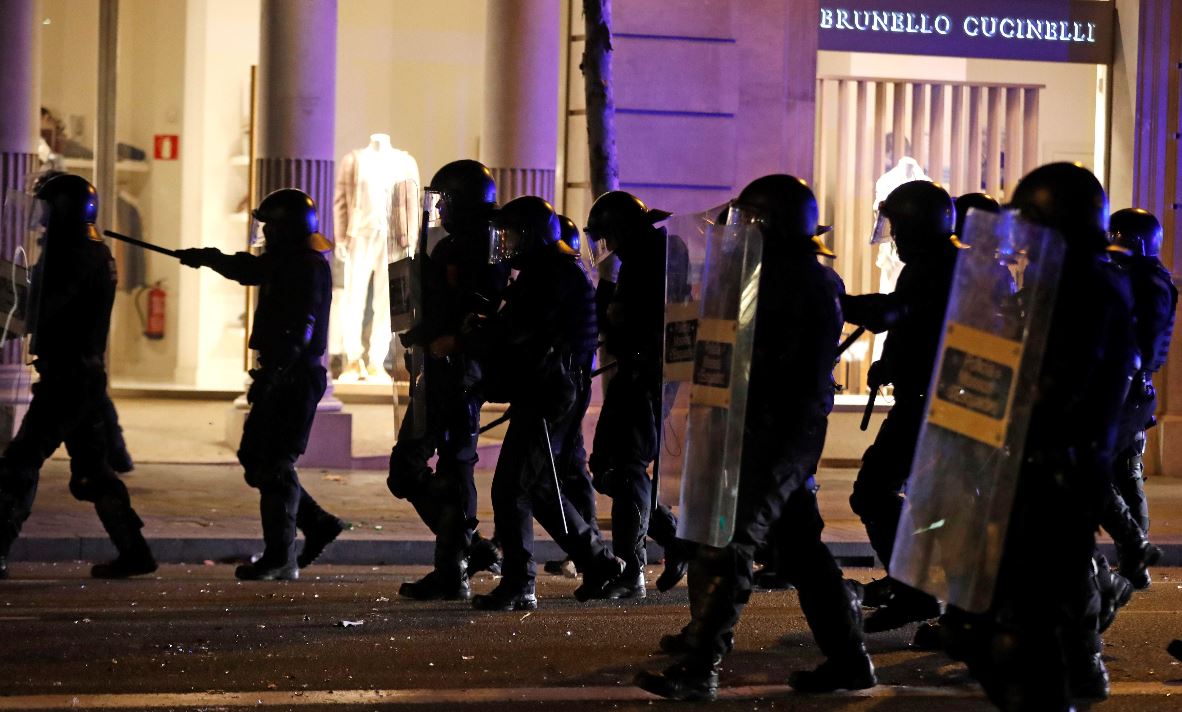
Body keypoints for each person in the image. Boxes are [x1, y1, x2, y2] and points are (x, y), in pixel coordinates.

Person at [636, 175, 875, 701]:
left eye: (748, 221)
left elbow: (773, 364)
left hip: (779, 436)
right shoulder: (766, 277)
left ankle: (700, 666)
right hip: (759, 431)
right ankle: (850, 660)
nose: (738, 230)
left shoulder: (804, 283)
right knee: (801, 553)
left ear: (768, 226)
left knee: (730, 541)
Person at [959, 163, 1137, 709]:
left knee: (1020, 636)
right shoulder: (1062, 283)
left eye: (1030, 218)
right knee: (1007, 629)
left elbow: (1053, 386)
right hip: (1034, 471)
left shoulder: (1085, 289)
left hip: (1052, 476)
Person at [177, 188, 347, 581]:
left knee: (273, 463)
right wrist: (206, 258)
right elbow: (251, 270)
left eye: (271, 226)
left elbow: (301, 330)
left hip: (294, 374)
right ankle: (316, 524)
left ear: (287, 229)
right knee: (256, 457)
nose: (265, 233)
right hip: (282, 371)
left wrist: (274, 375)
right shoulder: (287, 261)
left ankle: (281, 556)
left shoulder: (306, 265)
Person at [465, 196, 623, 611]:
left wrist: (475, 336)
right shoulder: (552, 270)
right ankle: (600, 564)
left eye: (514, 233)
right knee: (538, 486)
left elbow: (517, 332)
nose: (508, 242)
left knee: (512, 486)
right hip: (553, 389)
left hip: (551, 391)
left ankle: (520, 582)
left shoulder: (550, 274)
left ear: (532, 235)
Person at [0, 173, 155, 580]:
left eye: (47, 211)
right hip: (81, 376)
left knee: (21, 461)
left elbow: (36, 307)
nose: (40, 221)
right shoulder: (92, 249)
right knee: (93, 471)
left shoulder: (70, 255)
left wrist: (12, 296)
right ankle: (134, 551)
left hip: (66, 377)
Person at [842, 180, 958, 631]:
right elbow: (916, 323)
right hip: (926, 403)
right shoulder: (939, 262)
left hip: (936, 408)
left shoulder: (942, 265)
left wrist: (839, 301)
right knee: (902, 496)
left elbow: (899, 312)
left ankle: (918, 593)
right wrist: (891, 363)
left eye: (899, 226)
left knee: (875, 491)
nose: (894, 237)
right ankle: (919, 590)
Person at [389, 160, 506, 601]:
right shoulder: (454, 246)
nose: (440, 210)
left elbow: (482, 314)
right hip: (440, 370)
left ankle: (454, 562)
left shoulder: (485, 248)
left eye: (446, 200)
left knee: (444, 466)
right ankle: (462, 552)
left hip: (458, 372)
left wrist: (445, 336)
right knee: (425, 469)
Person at [584, 190, 685, 598]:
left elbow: (629, 321)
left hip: (650, 375)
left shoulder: (656, 257)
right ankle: (676, 539)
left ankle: (632, 568)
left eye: (609, 237)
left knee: (626, 467)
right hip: (634, 371)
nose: (607, 248)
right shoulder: (639, 259)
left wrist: (609, 309)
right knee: (606, 465)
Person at [1104, 208, 1173, 589]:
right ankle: (1135, 556)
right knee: (1123, 475)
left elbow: (1140, 342)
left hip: (1128, 392)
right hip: (1126, 390)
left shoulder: (1148, 281)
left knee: (1117, 473)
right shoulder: (1139, 276)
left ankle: (1135, 552)